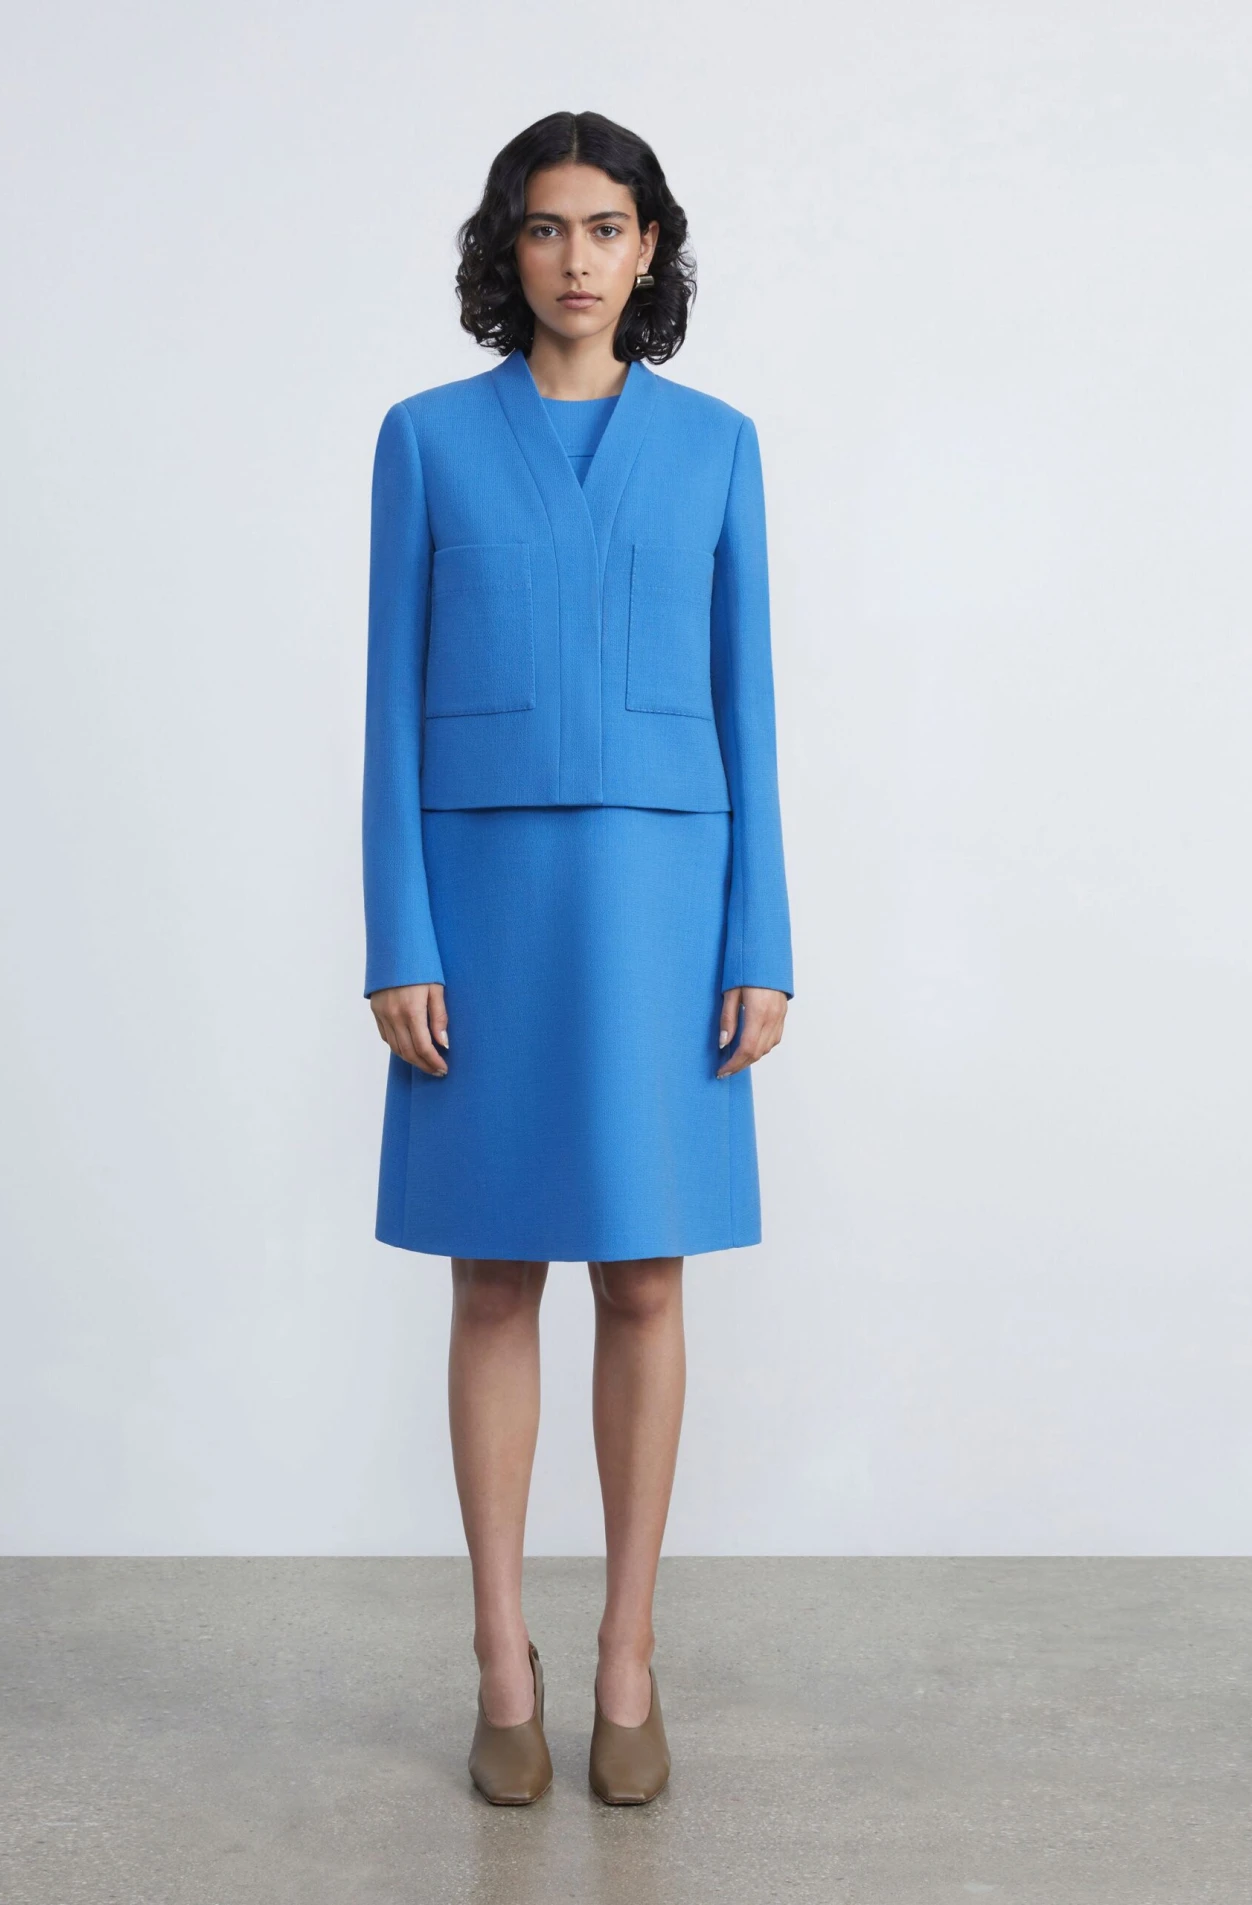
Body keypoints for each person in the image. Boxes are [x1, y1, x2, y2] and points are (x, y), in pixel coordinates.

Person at [360, 109, 794, 1806]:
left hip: (668, 903)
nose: (576, 260)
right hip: (480, 904)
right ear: (509, 248)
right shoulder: (424, 441)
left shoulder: (719, 447)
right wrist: (399, 934)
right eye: (546, 228)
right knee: (490, 1277)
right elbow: (388, 706)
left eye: (607, 228)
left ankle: (625, 1655)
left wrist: (761, 938)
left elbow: (751, 710)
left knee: (646, 1276)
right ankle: (498, 1656)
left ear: (648, 248)